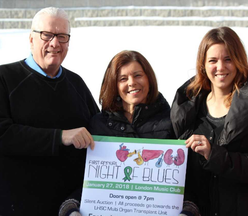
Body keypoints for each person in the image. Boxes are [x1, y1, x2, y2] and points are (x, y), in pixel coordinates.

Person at [170, 26, 248, 216]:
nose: (220, 67)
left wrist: (214, 155)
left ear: (239, 62)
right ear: (203, 66)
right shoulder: (188, 110)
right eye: (213, 60)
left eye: (228, 59)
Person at [0, 7, 99, 216]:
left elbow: (99, 131)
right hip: (18, 206)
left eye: (62, 37)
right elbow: (3, 134)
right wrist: (59, 137)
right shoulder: (5, 78)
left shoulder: (76, 83)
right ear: (31, 39)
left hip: (70, 208)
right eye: (47, 35)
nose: (55, 43)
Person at [58, 50, 175, 216]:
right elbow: (87, 183)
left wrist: (187, 211)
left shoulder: (170, 122)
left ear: (149, 78)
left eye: (138, 75)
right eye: (123, 79)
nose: (132, 83)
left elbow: (182, 184)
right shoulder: (97, 125)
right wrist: (71, 208)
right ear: (114, 85)